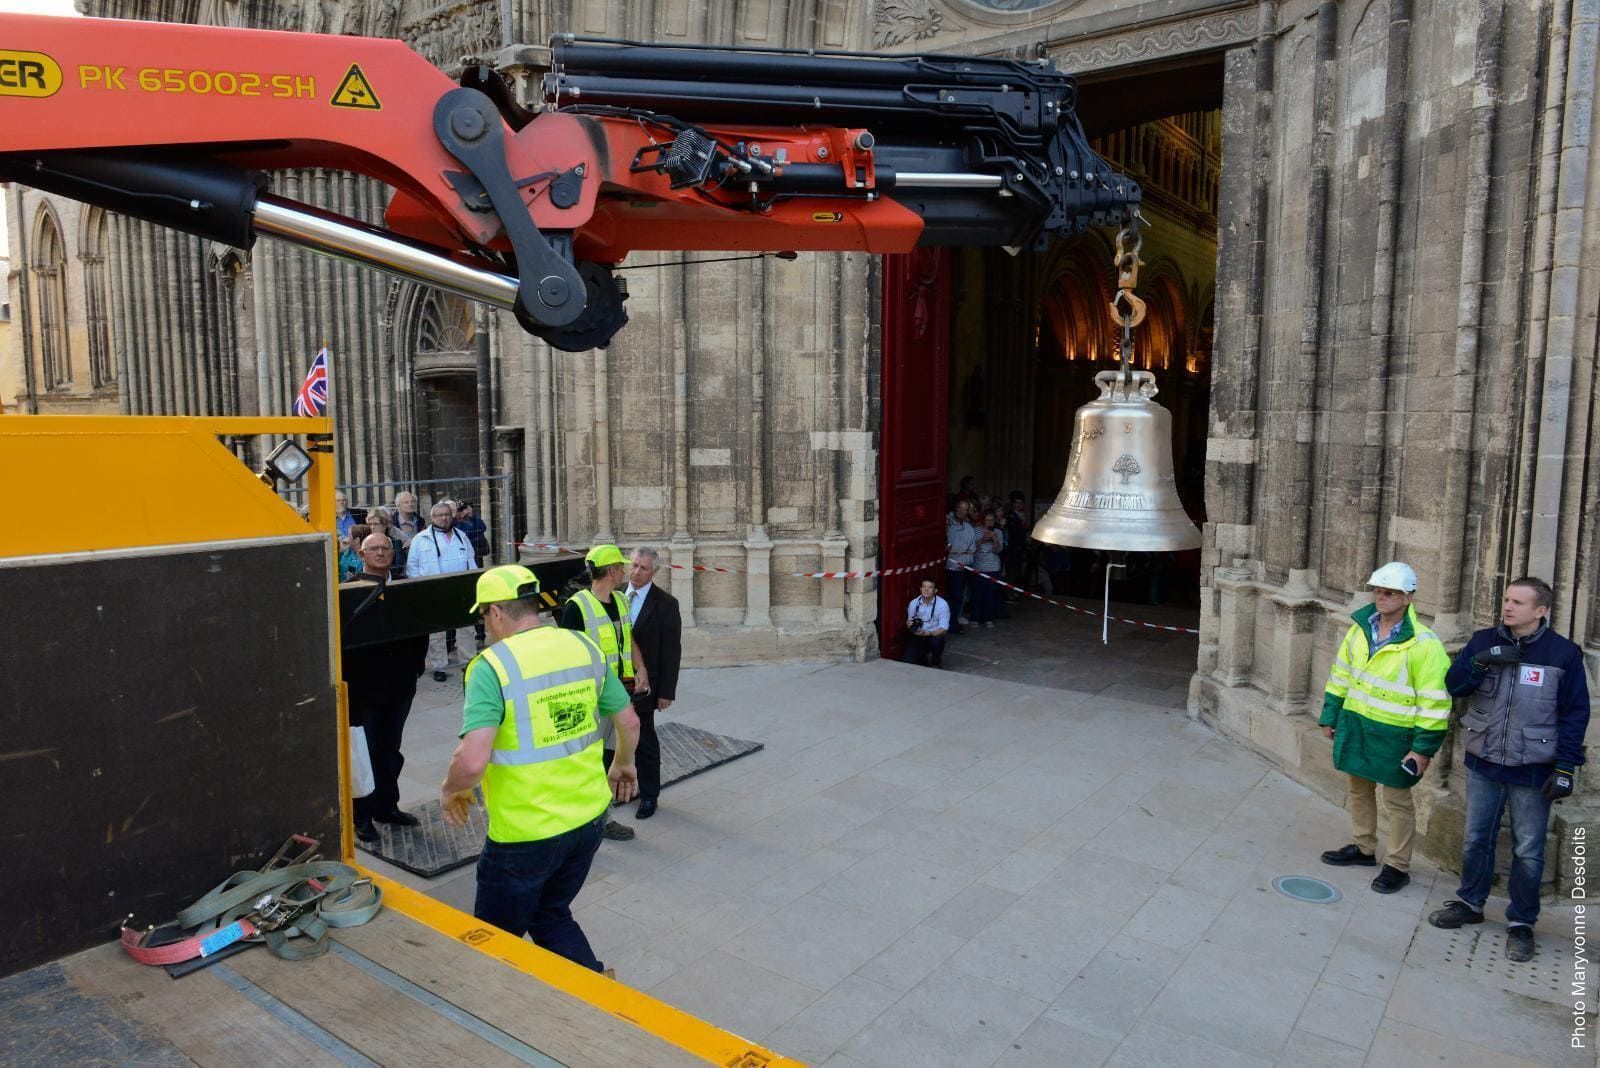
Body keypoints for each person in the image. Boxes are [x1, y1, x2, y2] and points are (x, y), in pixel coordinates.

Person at [439, 565, 640, 972]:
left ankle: (503, 1013)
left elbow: (473, 759)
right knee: (549, 912)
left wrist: (450, 790)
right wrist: (622, 763)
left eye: (484, 616)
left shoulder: (490, 666)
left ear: (496, 613)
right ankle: (597, 990)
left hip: (525, 835)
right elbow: (630, 722)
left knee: (494, 938)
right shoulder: (583, 647)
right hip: (588, 821)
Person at [1428, 577, 1591, 962]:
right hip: (1485, 759)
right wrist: (1477, 662)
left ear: (1540, 611)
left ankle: (1521, 923)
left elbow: (1574, 714)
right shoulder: (1484, 640)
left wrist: (1566, 767)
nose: (1508, 607)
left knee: (1529, 849)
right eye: (1506, 599)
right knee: (1475, 838)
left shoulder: (1563, 653)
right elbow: (1455, 687)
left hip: (1532, 767)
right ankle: (1469, 903)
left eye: (1518, 602)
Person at [1318, 562, 1452, 894]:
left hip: (1395, 735)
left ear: (1408, 597)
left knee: (1397, 801)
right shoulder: (1359, 629)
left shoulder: (1425, 644)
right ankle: (1363, 848)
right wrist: (1331, 715)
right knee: (1358, 790)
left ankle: (1397, 865)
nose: (1382, 597)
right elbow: (1342, 674)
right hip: (1358, 726)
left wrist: (1422, 748)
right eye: (1378, 591)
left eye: (1390, 592)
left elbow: (1435, 702)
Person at [560, 544, 649, 841]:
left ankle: (601, 816)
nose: (625, 571)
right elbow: (567, 658)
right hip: (591, 700)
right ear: (611, 571)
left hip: (619, 695)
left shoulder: (621, 601)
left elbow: (628, 639)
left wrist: (640, 668)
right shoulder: (577, 607)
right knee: (588, 760)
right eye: (621, 567)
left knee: (610, 756)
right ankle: (584, 819)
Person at [344, 532, 428, 841]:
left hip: (399, 686)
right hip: (365, 689)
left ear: (393, 554)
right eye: (374, 548)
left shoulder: (405, 587)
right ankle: (362, 816)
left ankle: (387, 807)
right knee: (364, 753)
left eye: (386, 548)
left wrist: (415, 669)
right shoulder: (349, 591)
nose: (381, 552)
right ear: (362, 554)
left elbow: (420, 629)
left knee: (390, 750)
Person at [624, 547, 681, 819]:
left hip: (644, 686)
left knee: (644, 740)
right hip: (614, 683)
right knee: (615, 740)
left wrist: (666, 692)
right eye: (634, 565)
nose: (636, 572)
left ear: (654, 571)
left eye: (643, 568)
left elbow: (671, 651)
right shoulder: (613, 597)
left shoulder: (666, 604)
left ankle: (649, 795)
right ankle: (621, 789)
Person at [406, 499, 479, 682]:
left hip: (460, 591)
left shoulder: (461, 535)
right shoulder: (420, 539)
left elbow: (471, 561)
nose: (444, 518)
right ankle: (439, 666)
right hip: (434, 592)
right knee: (437, 633)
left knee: (466, 629)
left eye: (447, 514)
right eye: (440, 515)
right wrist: (420, 588)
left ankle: (467, 662)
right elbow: (412, 566)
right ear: (432, 518)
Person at [945, 499, 979, 633]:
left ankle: (953, 623)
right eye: (960, 508)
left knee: (958, 597)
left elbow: (972, 550)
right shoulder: (948, 524)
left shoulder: (969, 528)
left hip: (962, 568)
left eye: (965, 509)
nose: (962, 511)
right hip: (947, 565)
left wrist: (963, 562)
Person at [901, 578, 950, 668]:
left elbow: (944, 628)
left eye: (930, 587)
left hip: (933, 634)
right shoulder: (914, 603)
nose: (926, 589)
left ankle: (936, 661)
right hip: (918, 634)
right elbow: (910, 621)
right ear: (920, 589)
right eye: (924, 586)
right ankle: (922, 658)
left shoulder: (942, 605)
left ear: (935, 590)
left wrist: (928, 633)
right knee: (908, 661)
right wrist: (910, 625)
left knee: (938, 640)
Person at [970, 509, 1005, 628]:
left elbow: (998, 550)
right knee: (977, 594)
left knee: (991, 594)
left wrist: (995, 539)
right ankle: (975, 618)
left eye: (992, 520)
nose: (989, 522)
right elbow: (973, 548)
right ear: (983, 520)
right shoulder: (975, 531)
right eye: (987, 520)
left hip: (994, 567)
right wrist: (983, 539)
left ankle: (989, 618)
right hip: (978, 567)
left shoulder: (998, 532)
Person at [367, 507, 407, 577]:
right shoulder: (364, 543)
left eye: (376, 524)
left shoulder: (396, 543)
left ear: (384, 525)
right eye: (370, 524)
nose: (372, 527)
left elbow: (398, 568)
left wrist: (377, 569)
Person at [456, 500, 491, 567]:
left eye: (464, 509)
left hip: (477, 552)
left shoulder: (472, 519)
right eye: (460, 510)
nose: (463, 512)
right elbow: (463, 535)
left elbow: (483, 527)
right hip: (464, 553)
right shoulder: (456, 522)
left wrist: (472, 515)